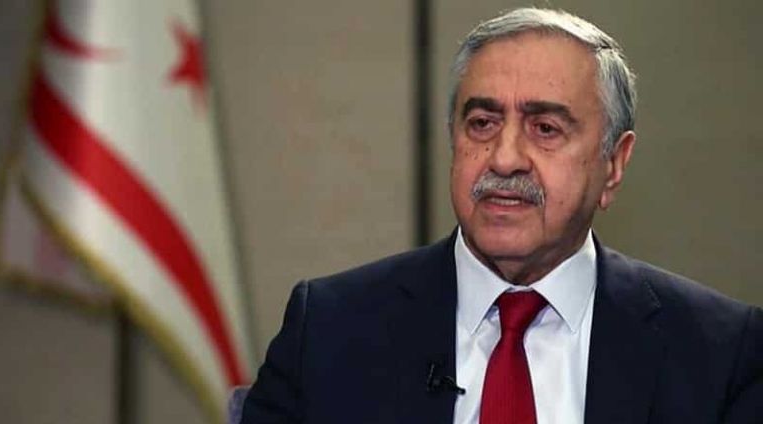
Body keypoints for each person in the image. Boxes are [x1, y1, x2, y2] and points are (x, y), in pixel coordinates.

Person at [240, 8, 762, 424]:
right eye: (483, 123)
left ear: (614, 163)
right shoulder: (328, 330)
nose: (505, 158)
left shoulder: (719, 352)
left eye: (546, 129)